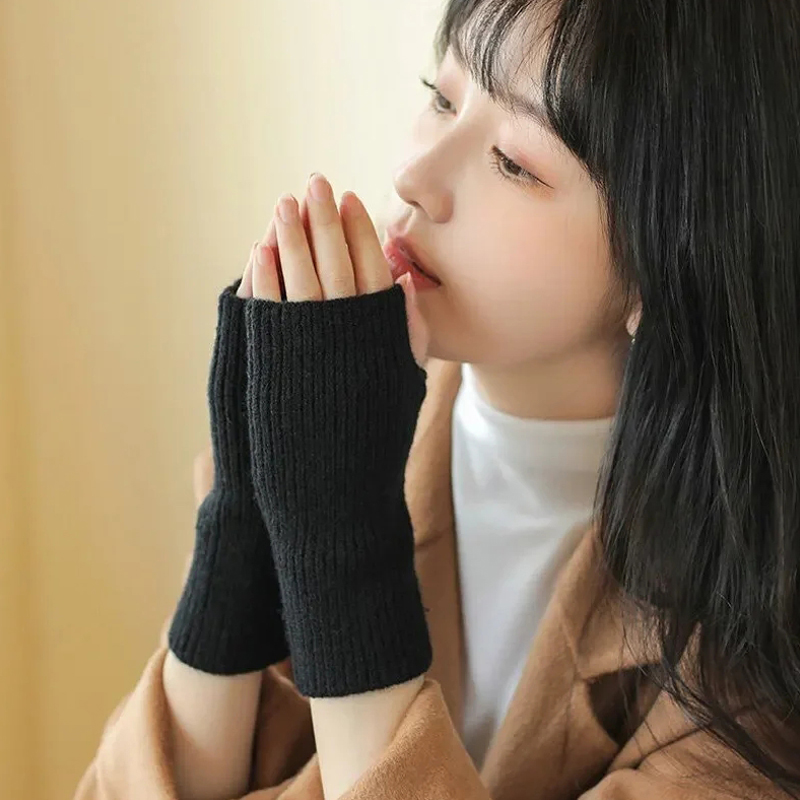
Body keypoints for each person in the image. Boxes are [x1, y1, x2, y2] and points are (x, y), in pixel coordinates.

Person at [74, 0, 800, 798]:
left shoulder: (755, 632)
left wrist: (344, 551)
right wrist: (241, 523)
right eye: (443, 98)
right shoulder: (326, 444)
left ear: (671, 262)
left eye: (513, 162)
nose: (415, 177)